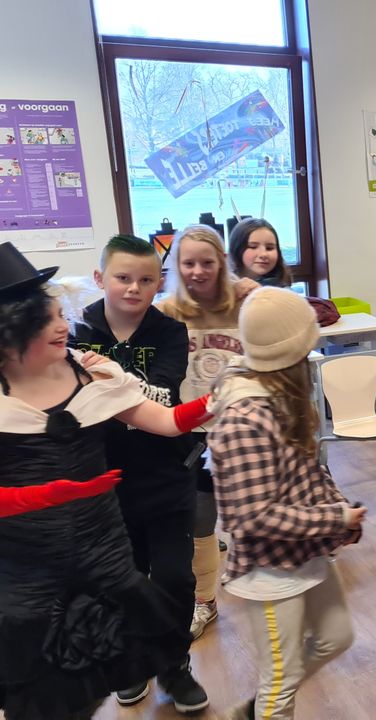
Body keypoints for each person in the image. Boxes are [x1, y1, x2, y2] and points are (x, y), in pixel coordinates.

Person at [0, 241, 213, 720]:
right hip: (31, 562)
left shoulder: (87, 371)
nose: (63, 327)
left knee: (155, 595)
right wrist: (41, 496)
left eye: (61, 315)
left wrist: (214, 402)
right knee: (46, 676)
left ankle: (163, 669)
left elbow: (162, 418)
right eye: (47, 320)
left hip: (109, 535)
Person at [68, 234, 209, 711]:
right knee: (123, 581)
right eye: (122, 278)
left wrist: (111, 382)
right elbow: (70, 400)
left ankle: (174, 666)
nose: (133, 288)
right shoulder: (74, 329)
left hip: (166, 475)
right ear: (99, 278)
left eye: (146, 280)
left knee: (173, 578)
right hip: (104, 483)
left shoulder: (169, 332)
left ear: (159, 283)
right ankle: (132, 662)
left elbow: (165, 396)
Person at [209, 288, 364, 720]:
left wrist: (338, 514)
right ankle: (264, 709)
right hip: (269, 572)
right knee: (281, 678)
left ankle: (254, 710)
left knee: (336, 637)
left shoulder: (282, 393)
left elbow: (308, 471)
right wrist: (333, 517)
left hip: (304, 552)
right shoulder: (245, 417)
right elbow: (253, 516)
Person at [157, 224, 254, 641]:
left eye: (207, 263)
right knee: (200, 523)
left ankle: (280, 598)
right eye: (188, 263)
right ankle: (205, 602)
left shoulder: (246, 302)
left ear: (222, 263)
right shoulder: (167, 311)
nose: (198, 271)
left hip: (242, 431)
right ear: (177, 266)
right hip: (190, 434)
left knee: (255, 520)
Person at [228, 218, 293, 288]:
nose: (263, 254)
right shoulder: (224, 287)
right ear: (237, 249)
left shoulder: (284, 291)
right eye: (253, 247)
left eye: (269, 248)